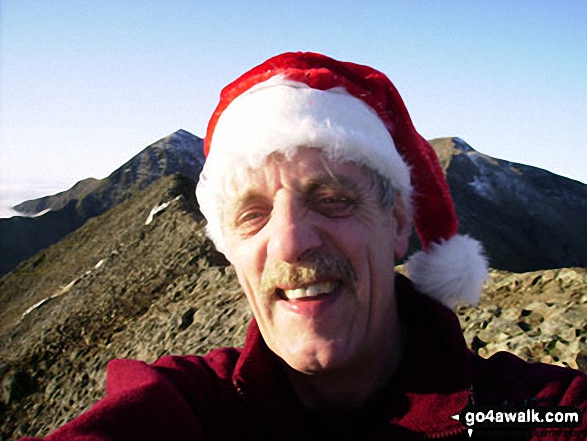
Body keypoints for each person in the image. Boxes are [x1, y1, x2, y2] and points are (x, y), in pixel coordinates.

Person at [22, 52, 585, 440]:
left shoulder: (528, 412)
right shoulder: (190, 409)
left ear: (396, 223)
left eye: (332, 198)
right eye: (253, 213)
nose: (290, 241)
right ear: (227, 248)